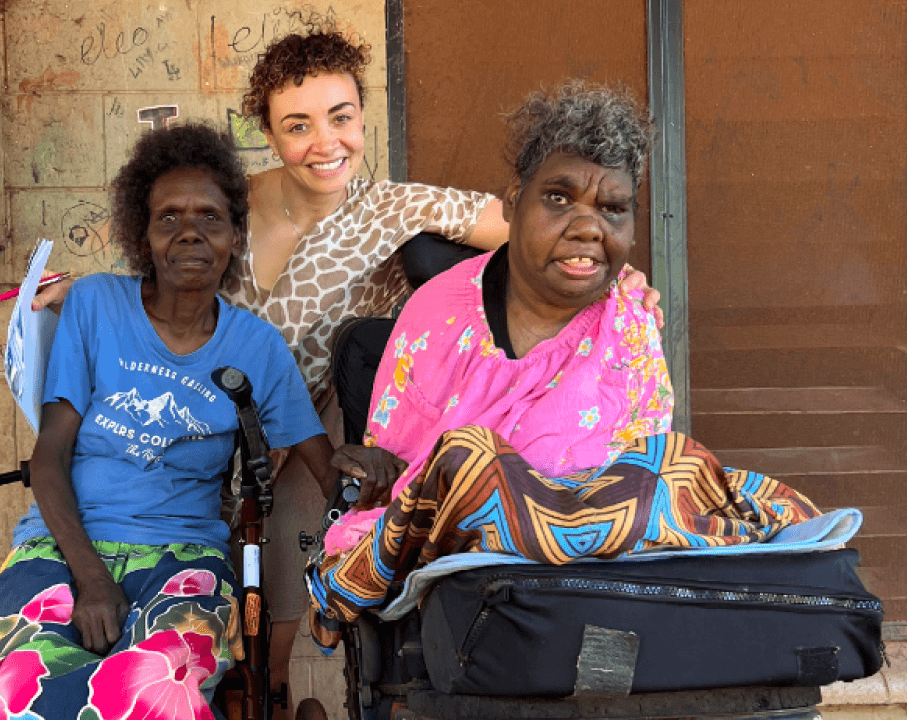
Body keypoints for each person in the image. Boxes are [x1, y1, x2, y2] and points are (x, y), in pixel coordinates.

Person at [32, 26, 664, 709]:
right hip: (196, 439)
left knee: (263, 633)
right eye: (298, 125)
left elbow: (534, 227)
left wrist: (626, 285)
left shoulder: (393, 208)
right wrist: (83, 290)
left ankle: (272, 700)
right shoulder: (229, 203)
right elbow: (165, 267)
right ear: (270, 134)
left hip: (299, 441)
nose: (325, 143)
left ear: (364, 119)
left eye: (341, 118)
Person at [307, 81, 822, 630]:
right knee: (472, 458)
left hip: (589, 587)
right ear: (513, 201)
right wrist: (387, 470)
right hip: (462, 582)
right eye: (558, 198)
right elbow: (410, 481)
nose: (586, 228)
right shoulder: (436, 315)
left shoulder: (628, 328)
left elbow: (633, 483)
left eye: (612, 208)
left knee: (676, 467)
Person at [0, 123, 334, 720]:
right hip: (59, 546)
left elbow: (324, 465)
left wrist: (363, 467)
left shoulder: (257, 347)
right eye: (168, 217)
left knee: (152, 690)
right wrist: (91, 579)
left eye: (210, 217)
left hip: (185, 558)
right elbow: (49, 458)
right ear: (143, 233)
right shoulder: (94, 305)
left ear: (235, 234)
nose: (189, 231)